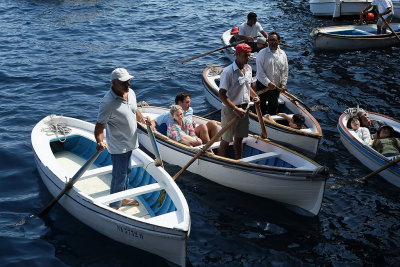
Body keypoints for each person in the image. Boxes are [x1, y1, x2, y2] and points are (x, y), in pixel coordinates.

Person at [95, 68, 150, 210]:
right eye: (124, 82)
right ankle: (115, 206)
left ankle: (123, 197)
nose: (128, 84)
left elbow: (134, 110)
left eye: (129, 81)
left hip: (131, 141)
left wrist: (143, 120)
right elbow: (100, 127)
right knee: (119, 175)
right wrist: (100, 141)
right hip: (118, 145)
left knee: (128, 171)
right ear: (114, 82)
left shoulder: (130, 93)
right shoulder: (107, 103)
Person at [218, 43, 260, 159]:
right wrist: (235, 109)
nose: (248, 58)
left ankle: (239, 161)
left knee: (239, 138)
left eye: (249, 55)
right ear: (237, 55)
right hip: (230, 109)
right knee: (226, 139)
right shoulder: (228, 72)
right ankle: (221, 162)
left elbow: (247, 87)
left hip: (244, 108)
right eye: (246, 55)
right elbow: (221, 94)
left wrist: (254, 96)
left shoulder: (249, 68)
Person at [151, 92, 219, 144]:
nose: (189, 104)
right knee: (203, 126)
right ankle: (209, 153)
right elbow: (154, 121)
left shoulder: (190, 110)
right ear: (180, 103)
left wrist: (192, 124)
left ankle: (220, 152)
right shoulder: (168, 114)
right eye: (187, 102)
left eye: (189, 102)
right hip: (180, 137)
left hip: (191, 132)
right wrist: (153, 129)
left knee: (212, 123)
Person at [255, 32, 288, 115]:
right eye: (270, 40)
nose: (272, 42)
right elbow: (260, 72)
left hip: (276, 87)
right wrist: (268, 83)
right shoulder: (262, 53)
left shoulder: (283, 54)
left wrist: (283, 84)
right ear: (267, 42)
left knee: (273, 106)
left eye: (274, 40)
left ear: (278, 42)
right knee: (260, 106)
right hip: (263, 85)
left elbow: (285, 70)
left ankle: (271, 122)